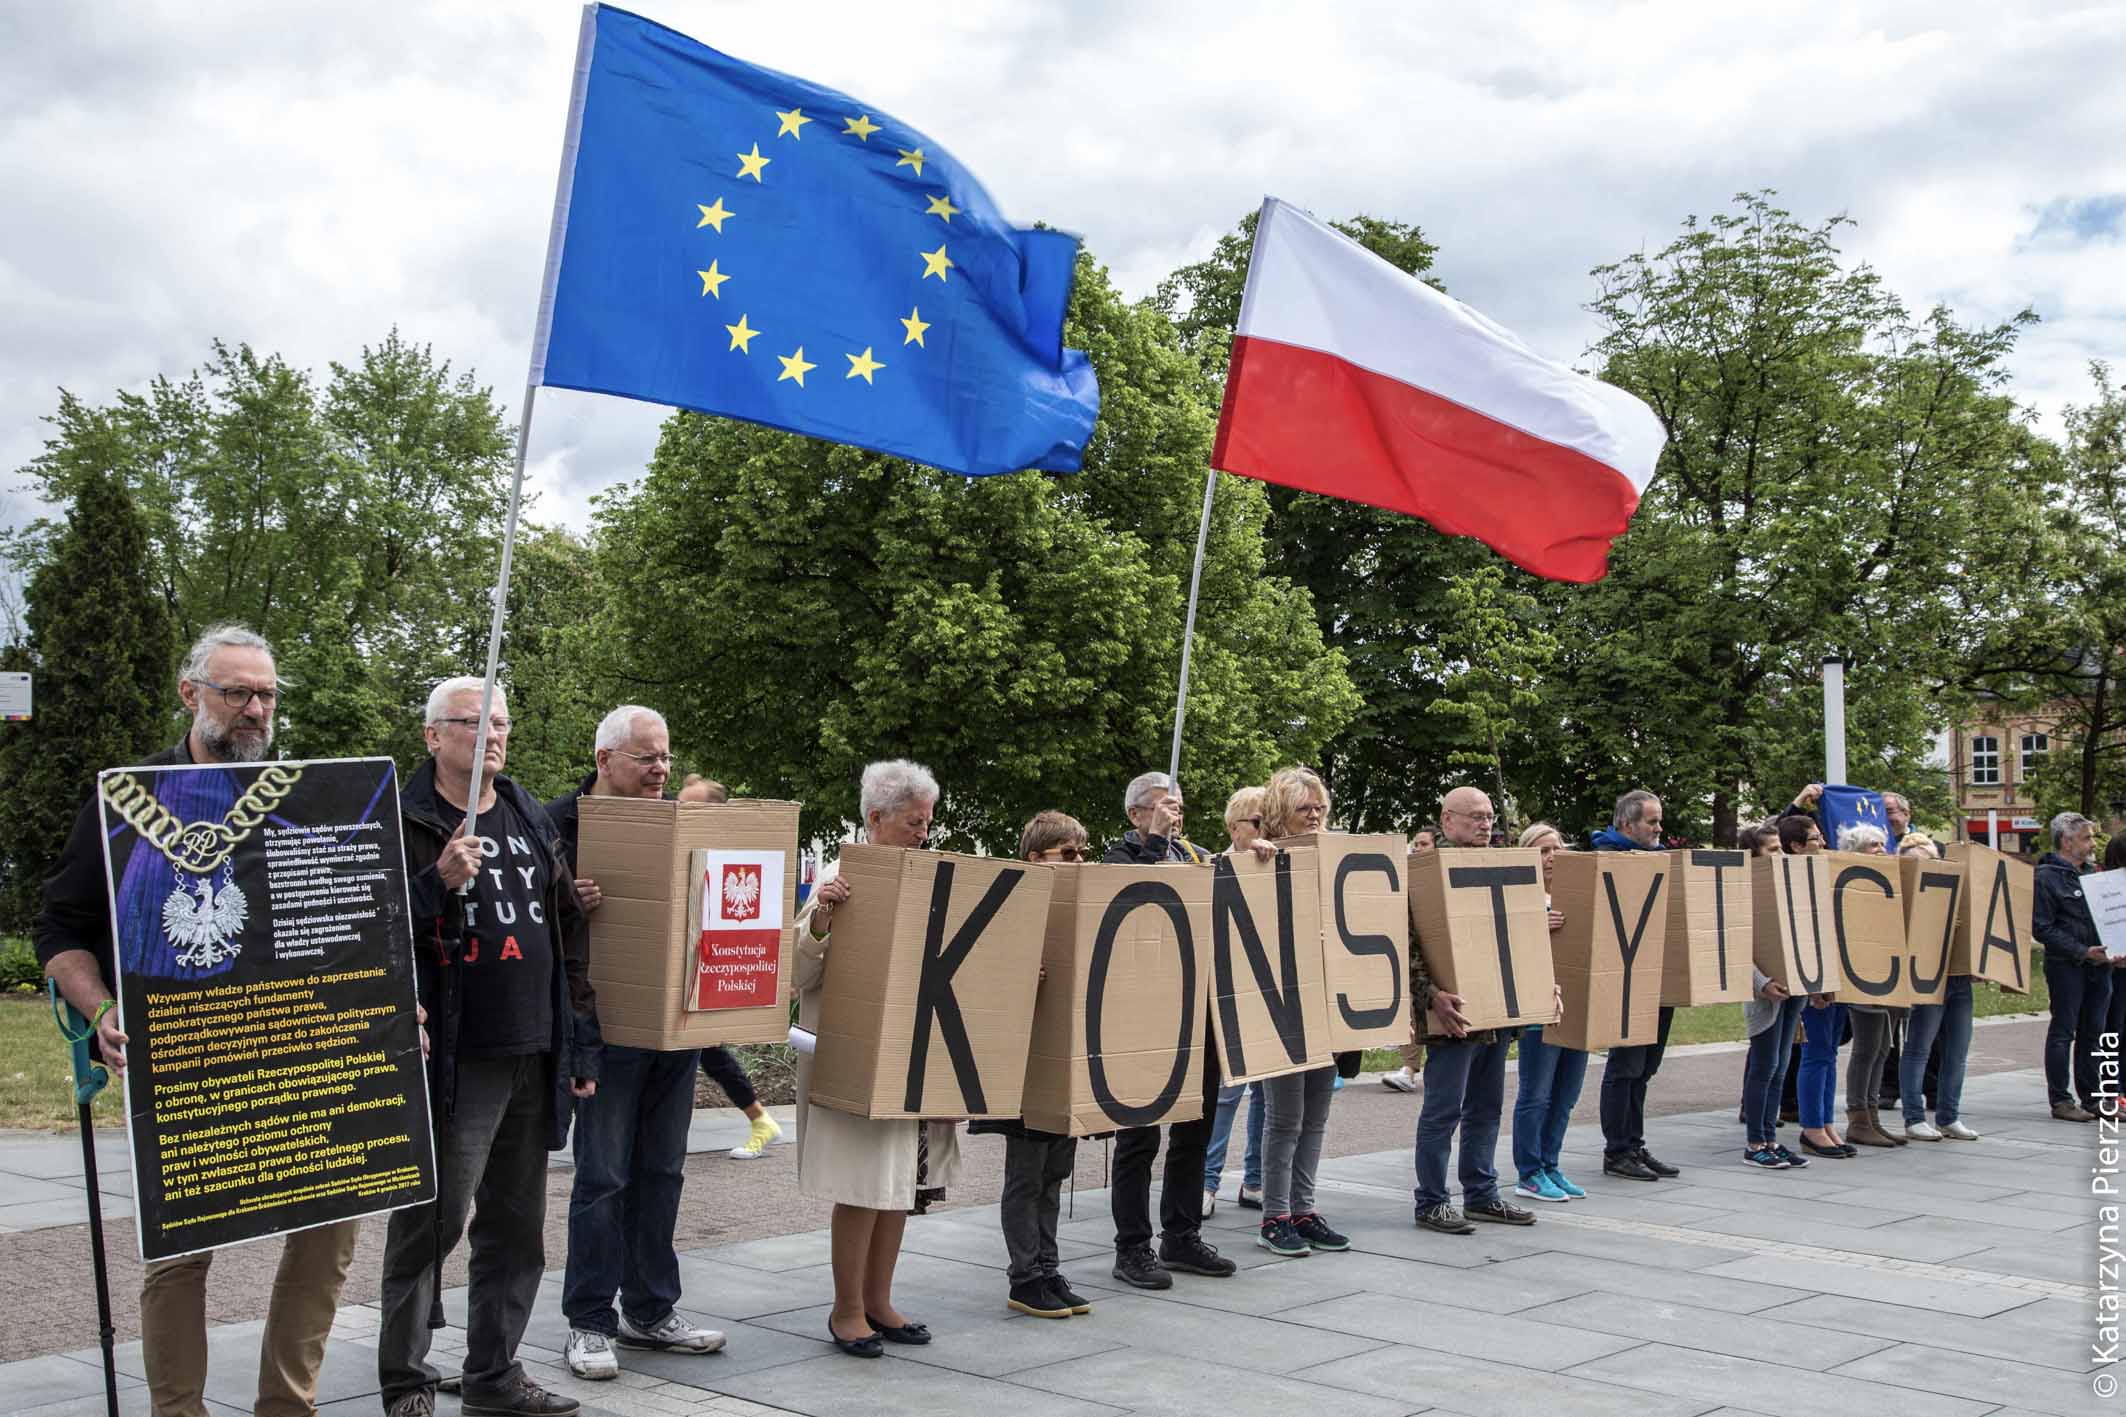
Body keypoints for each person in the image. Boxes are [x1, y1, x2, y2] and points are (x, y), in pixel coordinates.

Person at [36, 624, 365, 1417]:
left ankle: (289, 1406)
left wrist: (389, 1000)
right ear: (193, 695)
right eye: (238, 692)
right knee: (180, 1251)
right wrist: (102, 1008)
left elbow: (355, 925)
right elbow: (59, 929)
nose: (256, 708)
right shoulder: (128, 797)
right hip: (190, 1060)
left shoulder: (312, 793)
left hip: (302, 1057)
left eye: (267, 694)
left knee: (330, 1231)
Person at [379, 677, 600, 1417]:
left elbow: (568, 929)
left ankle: (493, 1375)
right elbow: (367, 928)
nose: (494, 735)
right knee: (431, 1223)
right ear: (433, 736)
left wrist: (580, 1043)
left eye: (501, 722)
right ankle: (407, 1381)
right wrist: (435, 881)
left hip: (532, 1052)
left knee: (515, 1228)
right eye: (474, 722)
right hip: (453, 1057)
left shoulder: (526, 811)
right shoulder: (403, 818)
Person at [545, 706, 726, 1381]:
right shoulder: (555, 824)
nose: (661, 769)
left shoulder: (680, 821)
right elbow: (524, 917)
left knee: (662, 1172)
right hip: (604, 1029)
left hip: (673, 1024)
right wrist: (567, 902)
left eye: (666, 757)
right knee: (602, 1177)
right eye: (647, 757)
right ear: (604, 759)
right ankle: (589, 1321)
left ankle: (650, 1309)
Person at [796, 760, 962, 1356]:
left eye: (926, 822)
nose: (923, 832)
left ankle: (878, 1300)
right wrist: (822, 916)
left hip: (912, 1051)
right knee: (863, 1185)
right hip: (856, 1056)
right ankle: (846, 1310)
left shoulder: (928, 875)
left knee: (900, 1184)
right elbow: (795, 971)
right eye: (914, 822)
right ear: (875, 819)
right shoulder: (839, 878)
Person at [1102, 770, 1255, 1288]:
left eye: (1179, 806)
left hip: (1199, 1015)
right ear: (1135, 813)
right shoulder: (1119, 857)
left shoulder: (1199, 857)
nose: (1175, 813)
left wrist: (1259, 863)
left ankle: (1182, 1236)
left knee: (1196, 1129)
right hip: (1145, 1019)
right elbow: (1130, 905)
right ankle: (1132, 1248)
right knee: (1139, 1138)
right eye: (1162, 805)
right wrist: (1153, 845)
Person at [968, 810, 1096, 1319]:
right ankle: (1025, 1276)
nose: (1079, 861)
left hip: (1060, 1062)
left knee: (1054, 1172)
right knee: (1026, 1175)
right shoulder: (1008, 906)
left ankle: (1047, 1266)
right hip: (1021, 1067)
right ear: (1034, 858)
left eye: (1082, 852)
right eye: (1068, 854)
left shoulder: (1079, 904)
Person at [1411, 787, 1540, 1234]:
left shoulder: (1500, 866)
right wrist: (1431, 995)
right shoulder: (1424, 871)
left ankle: (1482, 1195)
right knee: (1443, 1110)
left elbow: (1520, 938)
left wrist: (1539, 987)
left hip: (1497, 1013)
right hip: (1453, 1015)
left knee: (1486, 1108)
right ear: (1447, 820)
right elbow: (1408, 945)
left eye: (1490, 817)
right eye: (1476, 817)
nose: (1486, 824)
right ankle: (1430, 1201)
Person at [1253, 768, 1351, 1257]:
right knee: (1285, 1117)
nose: (1315, 817)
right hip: (1282, 1006)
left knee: (1316, 1115)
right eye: (1303, 809)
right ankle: (1275, 1216)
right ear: (1279, 815)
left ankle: (1304, 1209)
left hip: (1325, 1004)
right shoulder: (1258, 855)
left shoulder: (1335, 858)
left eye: (1320, 808)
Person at [1592, 790, 1681, 1181]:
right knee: (1625, 1066)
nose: (1659, 828)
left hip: (1659, 978)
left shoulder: (1659, 861)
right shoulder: (1605, 860)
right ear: (1626, 825)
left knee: (1645, 1067)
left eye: (1659, 821)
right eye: (1651, 821)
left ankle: (1634, 1143)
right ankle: (1618, 1151)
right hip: (1627, 979)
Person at [1510, 822, 1587, 1202]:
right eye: (1542, 851)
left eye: (1556, 848)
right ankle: (1529, 1171)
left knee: (1566, 1094)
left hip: (1578, 1005)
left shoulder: (1576, 894)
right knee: (1536, 1093)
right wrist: (1535, 928)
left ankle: (1551, 1164)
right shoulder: (1520, 898)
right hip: (1539, 1007)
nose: (1552, 857)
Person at [1204, 787, 1268, 1214]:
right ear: (1234, 828)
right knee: (1227, 1094)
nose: (1266, 832)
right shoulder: (1213, 867)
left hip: (1270, 996)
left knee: (1268, 1093)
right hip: (1229, 994)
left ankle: (1256, 1179)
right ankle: (1206, 1183)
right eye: (1258, 823)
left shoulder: (1283, 865)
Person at [1898, 831, 1979, 1141]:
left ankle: (1949, 1116)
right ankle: (1914, 1117)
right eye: (1919, 863)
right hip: (1926, 976)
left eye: (1932, 861)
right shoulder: (1904, 894)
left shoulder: (1954, 888)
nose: (1928, 867)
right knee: (1919, 1048)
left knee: (1957, 1050)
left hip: (1957, 977)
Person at [1739, 820, 1810, 1170]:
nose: (1780, 855)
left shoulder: (1792, 885)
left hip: (1794, 989)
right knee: (1764, 1067)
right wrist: (1761, 982)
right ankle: (1755, 1142)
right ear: (1754, 856)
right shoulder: (1743, 890)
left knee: (1781, 1067)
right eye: (1772, 850)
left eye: (1781, 848)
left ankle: (1770, 1138)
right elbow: (1737, 945)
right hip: (1766, 993)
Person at [2038, 811, 2113, 1123]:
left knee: (2094, 1033)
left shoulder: (2095, 874)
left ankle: (2093, 1098)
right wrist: (2083, 951)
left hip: (2101, 967)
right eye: (2087, 837)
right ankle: (2061, 1100)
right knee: (2063, 1032)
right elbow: (2042, 928)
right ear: (2067, 842)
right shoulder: (2045, 878)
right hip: (2066, 967)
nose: (2092, 843)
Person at [1835, 824, 1905, 1149]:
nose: (1881, 850)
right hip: (1861, 976)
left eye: (1882, 844)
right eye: (1872, 846)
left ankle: (1872, 1114)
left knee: (1882, 1048)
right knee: (1866, 1048)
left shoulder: (1888, 884)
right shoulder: (1851, 886)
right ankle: (1858, 1117)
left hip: (1886, 977)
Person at [1383, 820, 1441, 1095]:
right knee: (1410, 1009)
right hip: (1414, 960)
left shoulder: (1443, 877)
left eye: (1423, 844)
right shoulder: (1405, 878)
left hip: (1440, 961)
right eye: (1415, 844)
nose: (1417, 849)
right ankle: (1408, 1069)